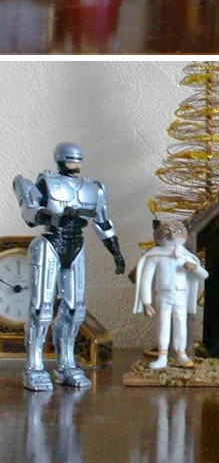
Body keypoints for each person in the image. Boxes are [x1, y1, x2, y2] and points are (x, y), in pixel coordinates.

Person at [13, 142, 125, 391]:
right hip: (50, 242)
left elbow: (103, 223)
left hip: (76, 245)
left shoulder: (93, 188)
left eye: (77, 160)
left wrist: (116, 252)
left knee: (75, 309)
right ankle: (34, 367)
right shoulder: (47, 182)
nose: (74, 163)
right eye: (70, 159)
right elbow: (31, 213)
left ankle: (66, 364)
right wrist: (57, 217)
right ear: (61, 159)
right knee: (42, 309)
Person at [134, 219, 209, 370]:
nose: (172, 235)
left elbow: (204, 274)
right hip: (163, 295)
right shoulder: (155, 256)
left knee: (181, 323)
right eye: (167, 231)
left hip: (181, 295)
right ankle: (162, 356)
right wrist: (146, 302)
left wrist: (195, 267)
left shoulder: (185, 256)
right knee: (163, 324)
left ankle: (181, 354)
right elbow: (146, 280)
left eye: (177, 231)